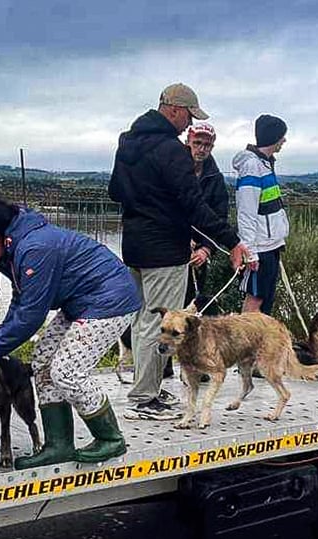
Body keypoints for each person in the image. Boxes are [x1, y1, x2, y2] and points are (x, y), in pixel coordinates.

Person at [0, 202, 141, 468]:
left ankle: (110, 438)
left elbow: (32, 314)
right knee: (43, 359)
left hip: (111, 300)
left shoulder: (35, 248)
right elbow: (21, 300)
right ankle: (59, 444)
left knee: (67, 372)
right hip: (81, 300)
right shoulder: (11, 250)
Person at [108, 83, 251, 421]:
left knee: (144, 318)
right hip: (165, 250)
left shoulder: (127, 142)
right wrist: (232, 241)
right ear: (172, 108)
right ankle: (144, 398)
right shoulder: (171, 150)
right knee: (157, 324)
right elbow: (193, 205)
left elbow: (116, 191)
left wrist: (147, 203)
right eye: (188, 115)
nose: (189, 124)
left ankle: (148, 392)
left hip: (135, 246)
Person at [232, 114, 290, 316]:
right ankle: (245, 346)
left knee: (265, 301)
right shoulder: (252, 166)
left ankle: (261, 346)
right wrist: (250, 252)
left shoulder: (265, 163)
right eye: (282, 136)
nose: (284, 140)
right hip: (260, 247)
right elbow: (246, 213)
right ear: (273, 137)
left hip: (271, 244)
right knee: (255, 302)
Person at [185, 122, 230, 310]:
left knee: (192, 305)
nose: (202, 149)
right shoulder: (173, 168)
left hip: (198, 254)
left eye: (207, 145)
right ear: (188, 141)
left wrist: (206, 249)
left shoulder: (216, 178)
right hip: (169, 247)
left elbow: (219, 218)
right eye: (197, 143)